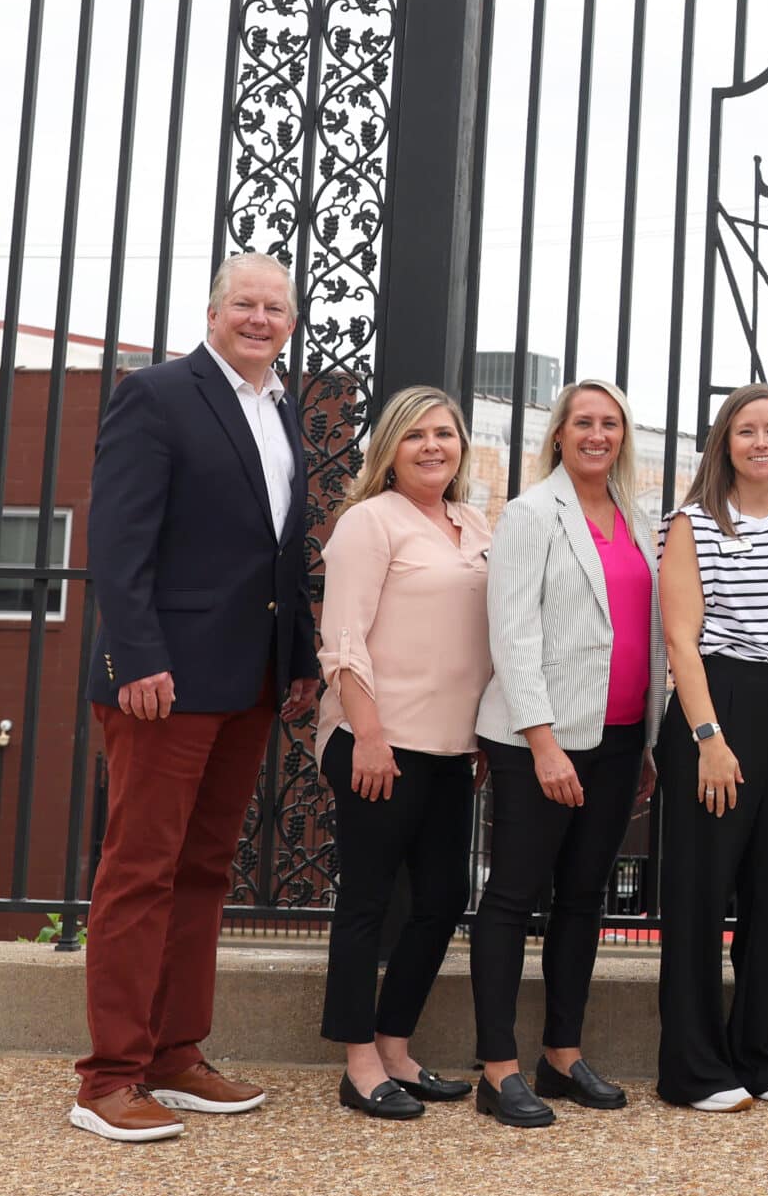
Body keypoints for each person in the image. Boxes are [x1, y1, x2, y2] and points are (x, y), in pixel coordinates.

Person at [71, 254, 321, 1143]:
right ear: (213, 310)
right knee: (140, 869)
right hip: (162, 679)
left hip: (247, 678)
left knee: (205, 871)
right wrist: (138, 656)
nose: (261, 318)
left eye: (275, 306)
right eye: (245, 303)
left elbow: (277, 547)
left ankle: (175, 1054)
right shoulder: (159, 394)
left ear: (291, 319)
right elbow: (119, 534)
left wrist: (296, 656)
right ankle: (108, 1076)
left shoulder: (280, 406)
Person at [469, 379, 667, 1129]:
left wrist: (646, 740)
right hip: (539, 741)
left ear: (623, 435)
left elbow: (642, 634)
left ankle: (561, 1052)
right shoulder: (528, 514)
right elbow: (512, 634)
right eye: (583, 421)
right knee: (514, 894)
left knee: (584, 895)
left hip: (617, 739)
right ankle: (497, 1067)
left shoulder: (638, 518)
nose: (596, 433)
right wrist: (542, 740)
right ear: (559, 433)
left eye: (609, 422)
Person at [654, 384, 768, 1112]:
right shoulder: (691, 523)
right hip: (717, 704)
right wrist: (708, 738)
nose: (763, 442)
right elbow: (680, 639)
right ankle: (694, 1067)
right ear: (724, 441)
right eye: (747, 430)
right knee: (700, 893)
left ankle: (766, 1053)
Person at [316, 386, 491, 1120]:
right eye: (416, 434)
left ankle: (395, 1043)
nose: (432, 446)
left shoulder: (475, 523)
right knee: (368, 898)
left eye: (445, 433)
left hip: (452, 747)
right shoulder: (368, 522)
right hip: (377, 743)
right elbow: (343, 639)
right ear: (390, 446)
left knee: (444, 897)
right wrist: (369, 734)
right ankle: (358, 1064)